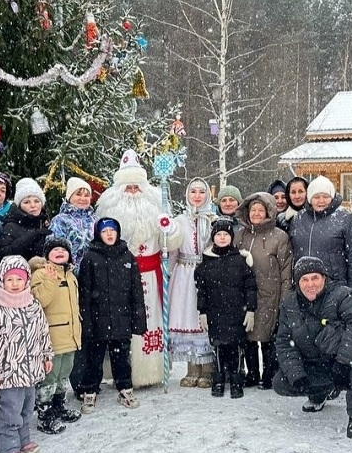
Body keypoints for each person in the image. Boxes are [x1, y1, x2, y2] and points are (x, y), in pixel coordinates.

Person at [94, 150, 180, 389]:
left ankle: (151, 371)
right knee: (124, 323)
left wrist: (169, 229)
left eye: (136, 188)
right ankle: (124, 373)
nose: (132, 193)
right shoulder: (109, 216)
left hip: (151, 275)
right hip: (121, 277)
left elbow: (171, 243)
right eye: (128, 188)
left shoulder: (157, 211)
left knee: (151, 321)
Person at [272, 257, 352, 439]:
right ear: (297, 283)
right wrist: (297, 374)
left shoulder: (340, 295)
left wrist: (343, 361)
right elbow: (284, 342)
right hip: (314, 361)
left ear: (324, 278)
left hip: (341, 359)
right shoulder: (289, 305)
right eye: (304, 279)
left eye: (315, 278)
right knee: (281, 382)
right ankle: (319, 393)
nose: (310, 284)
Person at [0, 255, 54, 453]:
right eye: (9, 279)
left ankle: (23, 439)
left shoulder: (33, 306)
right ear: (1, 281)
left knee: (27, 408)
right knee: (11, 410)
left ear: (26, 280)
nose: (14, 284)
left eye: (19, 279)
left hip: (31, 370)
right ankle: (9, 447)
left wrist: (46, 355)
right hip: (8, 372)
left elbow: (43, 333)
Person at [76, 218, 147, 412]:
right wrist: (86, 321)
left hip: (121, 318)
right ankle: (89, 391)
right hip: (97, 320)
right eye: (104, 231)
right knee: (94, 359)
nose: (109, 234)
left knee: (121, 358)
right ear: (98, 234)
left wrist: (138, 318)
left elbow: (136, 290)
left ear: (118, 232)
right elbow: (84, 293)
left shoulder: (127, 256)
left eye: (112, 230)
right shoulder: (90, 258)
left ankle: (125, 388)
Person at [194, 219, 258, 399]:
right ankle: (219, 379)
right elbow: (202, 291)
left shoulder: (240, 260)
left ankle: (237, 381)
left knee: (236, 348)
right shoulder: (206, 263)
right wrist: (202, 312)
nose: (222, 238)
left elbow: (250, 287)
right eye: (218, 234)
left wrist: (250, 310)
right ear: (213, 237)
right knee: (218, 349)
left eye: (226, 234)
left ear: (231, 237)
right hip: (215, 314)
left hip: (237, 313)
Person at [234, 191, 292, 389]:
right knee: (248, 336)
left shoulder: (279, 237)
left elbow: (286, 270)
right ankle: (252, 373)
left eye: (261, 210)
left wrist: (284, 298)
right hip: (245, 295)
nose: (257, 214)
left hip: (270, 295)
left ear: (269, 212)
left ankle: (269, 374)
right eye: (253, 210)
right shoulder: (240, 235)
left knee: (268, 337)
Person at [29, 237, 84, 434]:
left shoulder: (71, 275)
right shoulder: (40, 274)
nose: (60, 252)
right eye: (55, 250)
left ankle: (59, 407)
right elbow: (39, 301)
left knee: (64, 374)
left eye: (63, 249)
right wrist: (51, 280)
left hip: (70, 335)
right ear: (47, 255)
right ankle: (45, 415)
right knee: (49, 378)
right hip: (52, 336)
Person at [167, 179, 217, 388]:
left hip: (206, 274)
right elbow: (172, 251)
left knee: (203, 320)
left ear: (208, 195)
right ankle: (192, 368)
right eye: (193, 192)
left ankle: (208, 369)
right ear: (187, 195)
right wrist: (167, 272)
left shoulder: (213, 220)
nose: (197, 196)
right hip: (184, 275)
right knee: (187, 318)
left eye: (201, 192)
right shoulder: (179, 221)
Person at [289, 175, 352, 291]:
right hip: (305, 286)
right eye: (316, 197)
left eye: (326, 196)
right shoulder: (298, 218)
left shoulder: (344, 217)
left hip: (334, 286)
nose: (321, 201)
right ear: (310, 198)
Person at [0, 178, 52, 263]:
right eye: (26, 202)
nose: (33, 205)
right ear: (19, 205)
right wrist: (31, 236)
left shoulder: (46, 224)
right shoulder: (11, 226)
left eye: (37, 201)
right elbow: (2, 254)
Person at [48, 176, 97, 271]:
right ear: (69, 197)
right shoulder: (60, 220)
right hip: (69, 273)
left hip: (95, 272)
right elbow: (53, 249)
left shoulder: (96, 220)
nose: (83, 198)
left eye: (86, 195)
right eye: (78, 194)